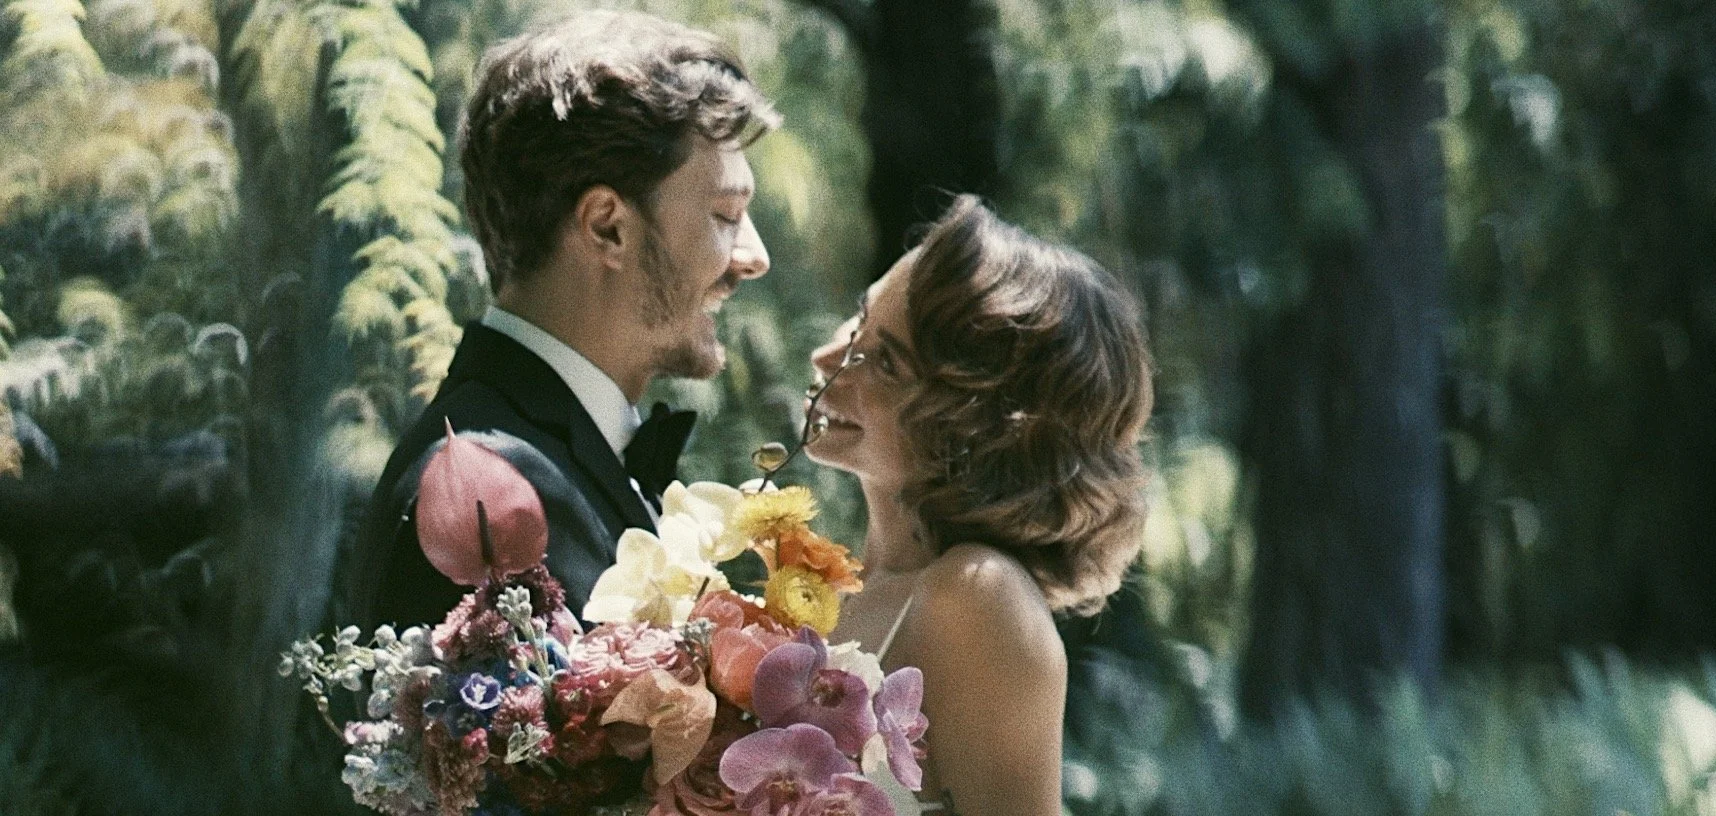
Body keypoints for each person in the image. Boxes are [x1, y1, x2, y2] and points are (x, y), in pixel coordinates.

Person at [334, 10, 779, 629]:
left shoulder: (562, 452)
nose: (755, 257)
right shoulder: (478, 495)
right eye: (726, 214)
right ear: (607, 226)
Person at [807, 195, 1154, 815]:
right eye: (856, 323)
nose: (828, 361)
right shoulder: (832, 586)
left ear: (970, 423)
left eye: (883, 361)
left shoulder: (973, 599)